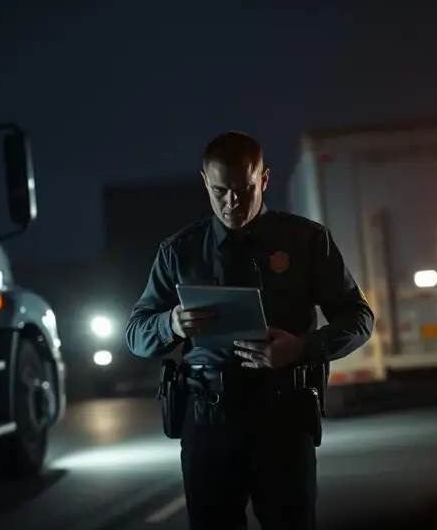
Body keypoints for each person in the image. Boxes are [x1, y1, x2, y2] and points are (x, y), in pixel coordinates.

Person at [125, 131, 375, 530]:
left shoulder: (306, 241)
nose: (232, 203)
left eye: (243, 190)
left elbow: (359, 318)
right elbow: (136, 334)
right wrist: (170, 323)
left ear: (264, 179)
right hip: (208, 419)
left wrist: (301, 347)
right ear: (205, 182)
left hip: (283, 417)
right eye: (220, 191)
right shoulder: (180, 251)